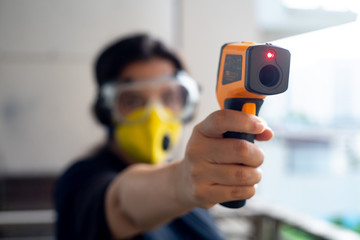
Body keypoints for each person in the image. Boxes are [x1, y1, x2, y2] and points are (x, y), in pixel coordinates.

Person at [54, 33, 274, 240]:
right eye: (132, 101)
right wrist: (182, 182)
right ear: (107, 110)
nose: (154, 114)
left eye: (169, 96)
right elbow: (121, 203)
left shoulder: (193, 185)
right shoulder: (79, 180)